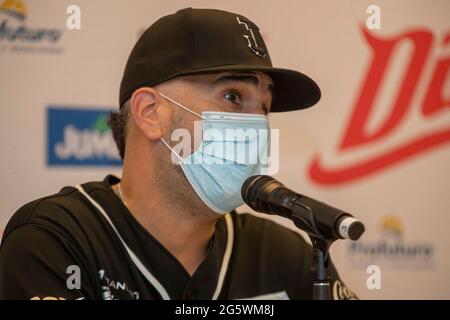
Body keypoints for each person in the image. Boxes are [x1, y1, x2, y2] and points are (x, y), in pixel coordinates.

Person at [0, 7, 356, 300]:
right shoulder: (56, 240)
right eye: (233, 96)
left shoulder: (285, 254)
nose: (256, 126)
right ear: (150, 113)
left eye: (263, 107)